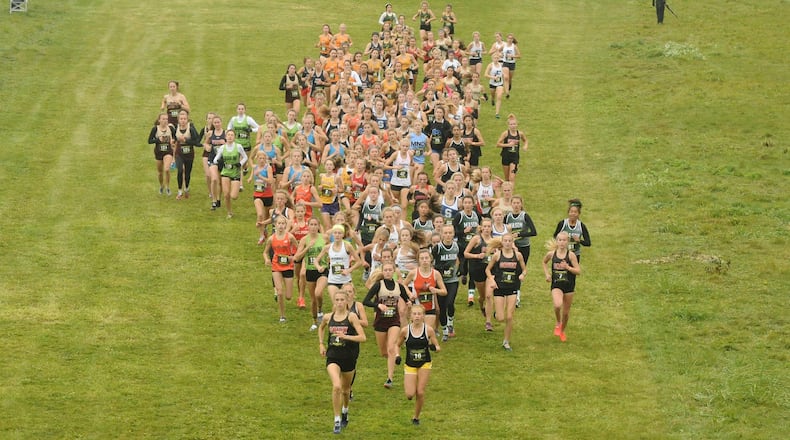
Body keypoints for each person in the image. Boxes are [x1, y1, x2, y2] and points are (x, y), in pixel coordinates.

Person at [318, 289, 367, 434]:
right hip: (333, 356)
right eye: (337, 300)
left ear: (346, 302)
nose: (339, 303)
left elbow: (363, 337)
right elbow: (321, 328)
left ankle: (345, 410)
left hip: (349, 357)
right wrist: (321, 343)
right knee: (337, 386)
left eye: (342, 300)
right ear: (334, 301)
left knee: (346, 391)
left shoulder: (352, 317)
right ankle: (337, 419)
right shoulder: (328, 317)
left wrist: (346, 337)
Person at [363, 262, 411, 389]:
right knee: (384, 352)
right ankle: (393, 356)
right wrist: (378, 305)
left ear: (394, 271)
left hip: (394, 321)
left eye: (390, 270)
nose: (388, 272)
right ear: (383, 272)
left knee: (391, 347)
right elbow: (365, 301)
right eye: (386, 270)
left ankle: (390, 378)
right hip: (380, 322)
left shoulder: (398, 286)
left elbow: (407, 300)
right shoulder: (378, 286)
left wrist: (409, 304)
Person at [395, 304, 441, 426]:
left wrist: (434, 347)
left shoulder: (428, 330)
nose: (417, 316)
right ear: (410, 316)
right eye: (414, 314)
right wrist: (397, 356)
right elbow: (397, 345)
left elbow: (437, 347)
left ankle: (416, 417)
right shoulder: (405, 330)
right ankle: (411, 388)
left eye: (419, 314)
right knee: (410, 394)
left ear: (423, 316)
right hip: (410, 364)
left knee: (420, 392)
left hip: (424, 363)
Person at [485, 233, 526, 350]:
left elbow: (524, 269)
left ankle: (506, 341)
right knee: (500, 318)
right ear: (502, 242)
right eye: (505, 241)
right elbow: (488, 270)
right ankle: (496, 314)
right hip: (499, 288)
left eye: (510, 241)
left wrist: (523, 275)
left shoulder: (518, 255)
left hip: (512, 288)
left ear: (512, 242)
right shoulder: (497, 256)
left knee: (509, 317)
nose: (507, 243)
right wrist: (492, 280)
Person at [542, 231, 581, 342]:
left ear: (567, 242)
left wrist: (567, 267)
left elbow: (578, 271)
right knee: (558, 305)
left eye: (564, 240)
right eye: (560, 240)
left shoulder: (571, 255)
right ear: (557, 241)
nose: (562, 242)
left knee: (566, 313)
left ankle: (562, 331)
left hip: (569, 286)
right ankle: (558, 322)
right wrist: (547, 274)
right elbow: (544, 262)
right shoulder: (551, 254)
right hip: (556, 284)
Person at [263, 215, 299, 323]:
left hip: (288, 266)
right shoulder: (271, 239)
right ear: (275, 225)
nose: (281, 226)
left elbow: (298, 249)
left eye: (283, 223)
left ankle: (285, 299)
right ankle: (282, 316)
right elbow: (265, 252)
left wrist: (293, 257)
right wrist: (266, 259)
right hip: (276, 266)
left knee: (288, 296)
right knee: (279, 292)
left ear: (286, 225)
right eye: (279, 223)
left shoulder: (290, 237)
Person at [296, 217, 328, 331]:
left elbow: (331, 250)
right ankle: (314, 321)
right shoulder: (304, 240)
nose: (313, 227)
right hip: (310, 270)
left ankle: (320, 310)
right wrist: (308, 248)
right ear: (308, 226)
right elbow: (297, 257)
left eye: (316, 225)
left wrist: (327, 262)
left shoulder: (324, 238)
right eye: (311, 225)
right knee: (313, 298)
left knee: (318, 293)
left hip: (322, 270)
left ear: (319, 226)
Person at [505, 195, 537, 307]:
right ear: (511, 204)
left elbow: (533, 232)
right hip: (511, 247)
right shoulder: (507, 216)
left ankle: (517, 296)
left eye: (518, 203)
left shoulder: (525, 216)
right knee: (511, 270)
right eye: (514, 203)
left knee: (519, 271)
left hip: (523, 247)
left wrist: (520, 234)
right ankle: (509, 293)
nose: (516, 205)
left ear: (521, 204)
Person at [403, 248, 446, 333]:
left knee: (428, 332)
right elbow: (404, 284)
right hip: (417, 308)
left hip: (430, 307)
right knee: (417, 332)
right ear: (418, 260)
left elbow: (444, 291)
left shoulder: (436, 274)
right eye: (422, 258)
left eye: (426, 258)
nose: (424, 260)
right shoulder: (413, 273)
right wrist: (409, 293)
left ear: (430, 259)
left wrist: (436, 290)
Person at [464, 218, 495, 328]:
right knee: (482, 296)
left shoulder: (495, 240)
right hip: (478, 270)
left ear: (492, 228)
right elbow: (465, 253)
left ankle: (488, 322)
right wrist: (477, 256)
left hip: (491, 272)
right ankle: (481, 304)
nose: (486, 229)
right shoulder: (476, 239)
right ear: (481, 228)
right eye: (485, 226)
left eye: (489, 226)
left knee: (488, 295)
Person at [431, 224, 460, 341]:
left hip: (452, 280)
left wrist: (457, 270)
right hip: (440, 281)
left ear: (453, 234)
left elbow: (458, 259)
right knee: (441, 308)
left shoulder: (456, 246)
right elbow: (431, 262)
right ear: (442, 234)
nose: (448, 235)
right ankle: (444, 331)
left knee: (450, 302)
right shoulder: (438, 248)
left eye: (450, 233)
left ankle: (450, 323)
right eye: (446, 233)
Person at [212, 130, 248, 218]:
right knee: (226, 194)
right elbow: (215, 159)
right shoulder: (222, 148)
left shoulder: (238, 147)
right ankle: (229, 212)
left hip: (235, 172)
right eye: (228, 135)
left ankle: (237, 188)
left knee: (234, 196)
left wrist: (240, 163)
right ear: (226, 137)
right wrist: (219, 161)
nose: (230, 137)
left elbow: (245, 157)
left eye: (232, 135)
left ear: (234, 137)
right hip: (225, 172)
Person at [227, 103, 259, 188]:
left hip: (246, 145)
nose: (240, 110)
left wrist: (250, 130)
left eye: (242, 109)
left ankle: (246, 167)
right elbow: (228, 128)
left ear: (245, 110)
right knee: (239, 163)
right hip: (237, 145)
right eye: (239, 109)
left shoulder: (248, 119)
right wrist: (231, 135)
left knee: (244, 162)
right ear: (237, 110)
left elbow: (258, 128)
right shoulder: (233, 119)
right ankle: (240, 184)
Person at [172, 110, 200, 200]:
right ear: (178, 120)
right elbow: (173, 138)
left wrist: (186, 140)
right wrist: (174, 141)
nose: (183, 120)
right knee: (180, 171)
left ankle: (186, 189)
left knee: (187, 173)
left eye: (184, 119)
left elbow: (197, 141)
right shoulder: (176, 128)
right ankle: (180, 191)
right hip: (179, 153)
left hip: (189, 154)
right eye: (181, 119)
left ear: (187, 119)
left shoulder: (191, 128)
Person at [249, 153, 275, 245]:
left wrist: (260, 177)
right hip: (257, 195)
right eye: (260, 158)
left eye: (263, 158)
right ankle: (261, 236)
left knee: (266, 219)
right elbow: (253, 174)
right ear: (257, 159)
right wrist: (250, 178)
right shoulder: (255, 167)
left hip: (268, 196)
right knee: (260, 214)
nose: (262, 160)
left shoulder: (268, 168)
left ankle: (264, 229)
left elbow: (271, 181)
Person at [495, 114, 528, 183]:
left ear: (517, 125)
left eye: (514, 124)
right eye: (511, 124)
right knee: (507, 179)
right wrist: (508, 145)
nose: (513, 126)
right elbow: (498, 144)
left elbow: (525, 140)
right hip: (506, 156)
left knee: (512, 178)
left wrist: (525, 146)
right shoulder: (505, 134)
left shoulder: (520, 134)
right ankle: (507, 191)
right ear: (508, 125)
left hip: (515, 157)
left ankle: (511, 191)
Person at [148, 113, 175, 195]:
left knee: (166, 169)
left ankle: (167, 187)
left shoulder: (170, 128)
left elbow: (175, 138)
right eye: (163, 119)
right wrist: (158, 140)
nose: (165, 121)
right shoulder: (155, 129)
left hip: (168, 152)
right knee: (160, 172)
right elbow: (149, 141)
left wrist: (173, 141)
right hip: (158, 152)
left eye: (166, 119)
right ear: (159, 120)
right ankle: (161, 186)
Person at [203, 114, 226, 210]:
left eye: (218, 122)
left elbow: (232, 143)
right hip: (212, 159)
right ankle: (213, 201)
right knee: (214, 179)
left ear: (221, 123)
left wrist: (225, 143)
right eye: (215, 122)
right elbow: (205, 142)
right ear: (213, 123)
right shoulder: (210, 133)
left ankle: (219, 199)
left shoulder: (225, 133)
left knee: (220, 182)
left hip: (223, 160)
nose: (217, 124)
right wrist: (207, 146)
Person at [484, 52, 505, 119]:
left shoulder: (501, 65)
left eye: (497, 58)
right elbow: (485, 75)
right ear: (492, 59)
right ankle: (492, 99)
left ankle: (497, 113)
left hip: (500, 83)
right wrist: (493, 77)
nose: (496, 59)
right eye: (494, 58)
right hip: (492, 83)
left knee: (499, 96)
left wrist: (504, 84)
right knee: (493, 94)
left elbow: (503, 74)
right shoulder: (490, 65)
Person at [501, 33, 520, 98]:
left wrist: (513, 56)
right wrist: (501, 55)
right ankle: (507, 93)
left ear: (512, 39)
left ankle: (510, 85)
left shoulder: (514, 46)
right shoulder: (504, 45)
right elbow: (498, 51)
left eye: (511, 38)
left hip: (512, 63)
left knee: (510, 78)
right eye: (509, 38)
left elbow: (519, 56)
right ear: (507, 39)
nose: (509, 40)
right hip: (505, 63)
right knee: (506, 77)